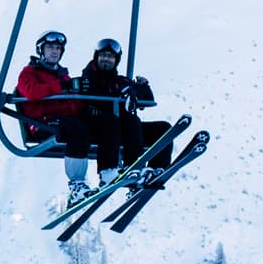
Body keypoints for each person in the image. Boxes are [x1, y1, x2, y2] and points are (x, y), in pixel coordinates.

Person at [14, 30, 98, 201]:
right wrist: (61, 86)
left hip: (63, 121)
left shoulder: (62, 75)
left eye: (58, 48)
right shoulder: (29, 72)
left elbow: (71, 102)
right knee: (77, 128)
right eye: (50, 47)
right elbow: (31, 91)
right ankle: (76, 184)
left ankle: (115, 169)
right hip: (41, 124)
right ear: (41, 50)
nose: (54, 51)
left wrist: (89, 108)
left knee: (102, 122)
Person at [76, 37, 173, 184]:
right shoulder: (88, 78)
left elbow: (146, 99)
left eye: (110, 57)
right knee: (120, 118)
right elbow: (95, 95)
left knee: (163, 129)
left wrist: (141, 87)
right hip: (99, 129)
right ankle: (120, 168)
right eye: (103, 56)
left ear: (116, 60)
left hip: (125, 131)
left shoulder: (120, 81)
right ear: (96, 57)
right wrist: (121, 94)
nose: (106, 60)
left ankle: (155, 170)